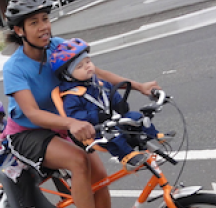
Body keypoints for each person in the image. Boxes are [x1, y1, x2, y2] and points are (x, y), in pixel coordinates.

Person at [2, 0, 160, 208]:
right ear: (19, 30)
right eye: (34, 22)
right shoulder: (14, 67)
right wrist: (72, 123)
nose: (44, 26)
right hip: (28, 132)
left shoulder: (58, 47)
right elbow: (32, 112)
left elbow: (94, 73)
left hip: (65, 122)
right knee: (78, 161)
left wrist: (140, 86)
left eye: (45, 19)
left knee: (100, 176)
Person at [50, 38, 170, 170]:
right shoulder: (72, 96)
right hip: (96, 129)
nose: (87, 66)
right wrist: (95, 116)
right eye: (79, 67)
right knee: (113, 135)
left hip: (113, 119)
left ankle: (154, 135)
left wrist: (119, 104)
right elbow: (75, 116)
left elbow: (112, 93)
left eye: (88, 61)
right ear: (68, 76)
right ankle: (126, 156)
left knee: (138, 117)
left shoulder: (98, 83)